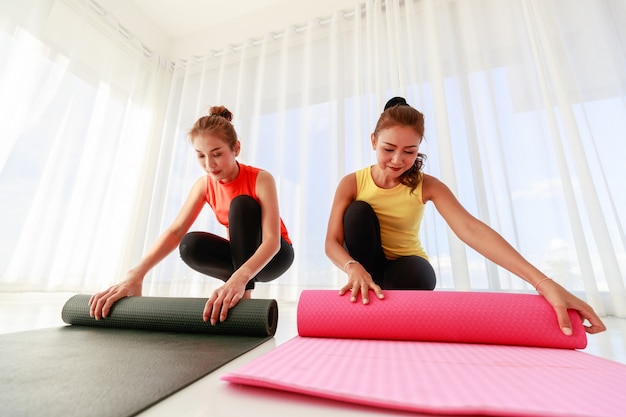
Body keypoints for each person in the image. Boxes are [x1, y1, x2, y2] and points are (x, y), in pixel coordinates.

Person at [324, 97, 606, 336]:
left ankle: (383, 302)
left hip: (404, 270)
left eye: (409, 152)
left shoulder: (428, 185)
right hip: (364, 263)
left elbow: (470, 229)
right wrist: (352, 267)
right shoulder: (352, 182)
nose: (398, 160)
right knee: (357, 213)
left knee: (419, 275)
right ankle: (369, 289)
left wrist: (542, 282)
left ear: (418, 150)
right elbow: (332, 242)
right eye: (388, 149)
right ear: (373, 141)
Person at [89, 106, 294, 325]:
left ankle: (242, 295)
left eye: (217, 154)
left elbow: (272, 242)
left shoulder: (261, 179)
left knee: (241, 205)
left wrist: (241, 278)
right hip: (240, 259)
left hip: (275, 257)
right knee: (190, 244)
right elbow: (175, 232)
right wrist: (136, 274)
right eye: (201, 156)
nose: (209, 165)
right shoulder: (204, 185)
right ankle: (235, 286)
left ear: (236, 148)